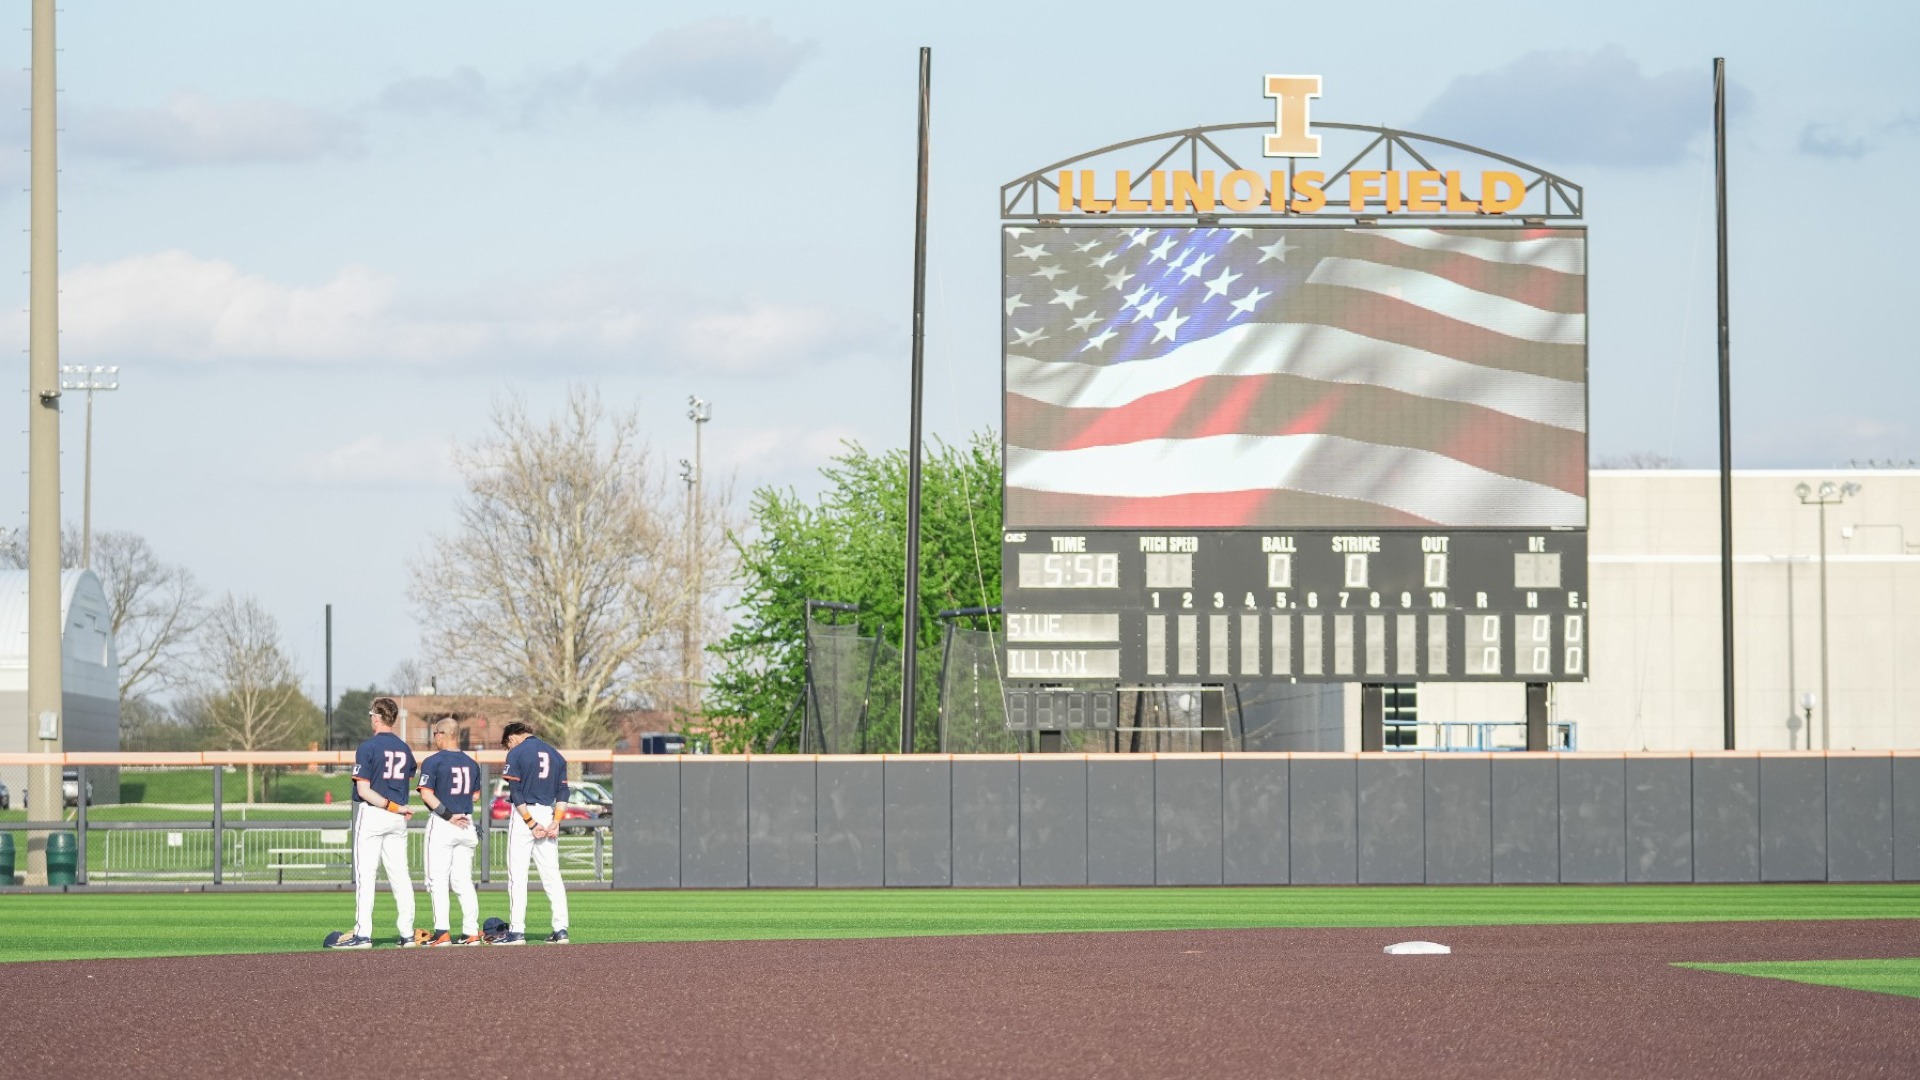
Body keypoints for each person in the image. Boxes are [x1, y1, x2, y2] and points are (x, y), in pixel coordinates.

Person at [328, 696, 418, 950]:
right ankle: (407, 934)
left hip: (377, 812)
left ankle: (363, 934)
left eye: (371, 716)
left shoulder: (368, 747)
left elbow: (365, 790)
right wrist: (397, 807)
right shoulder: (404, 748)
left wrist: (391, 805)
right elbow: (406, 774)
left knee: (366, 877)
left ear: (376, 718)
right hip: (398, 817)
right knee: (400, 876)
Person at [497, 721, 570, 945]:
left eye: (507, 745)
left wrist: (529, 822)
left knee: (517, 877)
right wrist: (556, 822)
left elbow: (516, 792)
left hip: (524, 816)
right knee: (552, 876)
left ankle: (517, 931)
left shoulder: (517, 752)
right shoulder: (556, 754)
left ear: (512, 738)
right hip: (548, 815)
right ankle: (561, 929)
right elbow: (563, 791)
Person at [416, 718, 483, 947]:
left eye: (436, 733)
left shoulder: (433, 761)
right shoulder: (472, 763)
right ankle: (471, 932)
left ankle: (442, 932)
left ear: (443, 734)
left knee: (438, 881)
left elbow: (426, 794)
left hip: (445, 823)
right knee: (464, 881)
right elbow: (475, 796)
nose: (434, 737)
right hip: (467, 823)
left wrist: (448, 815)